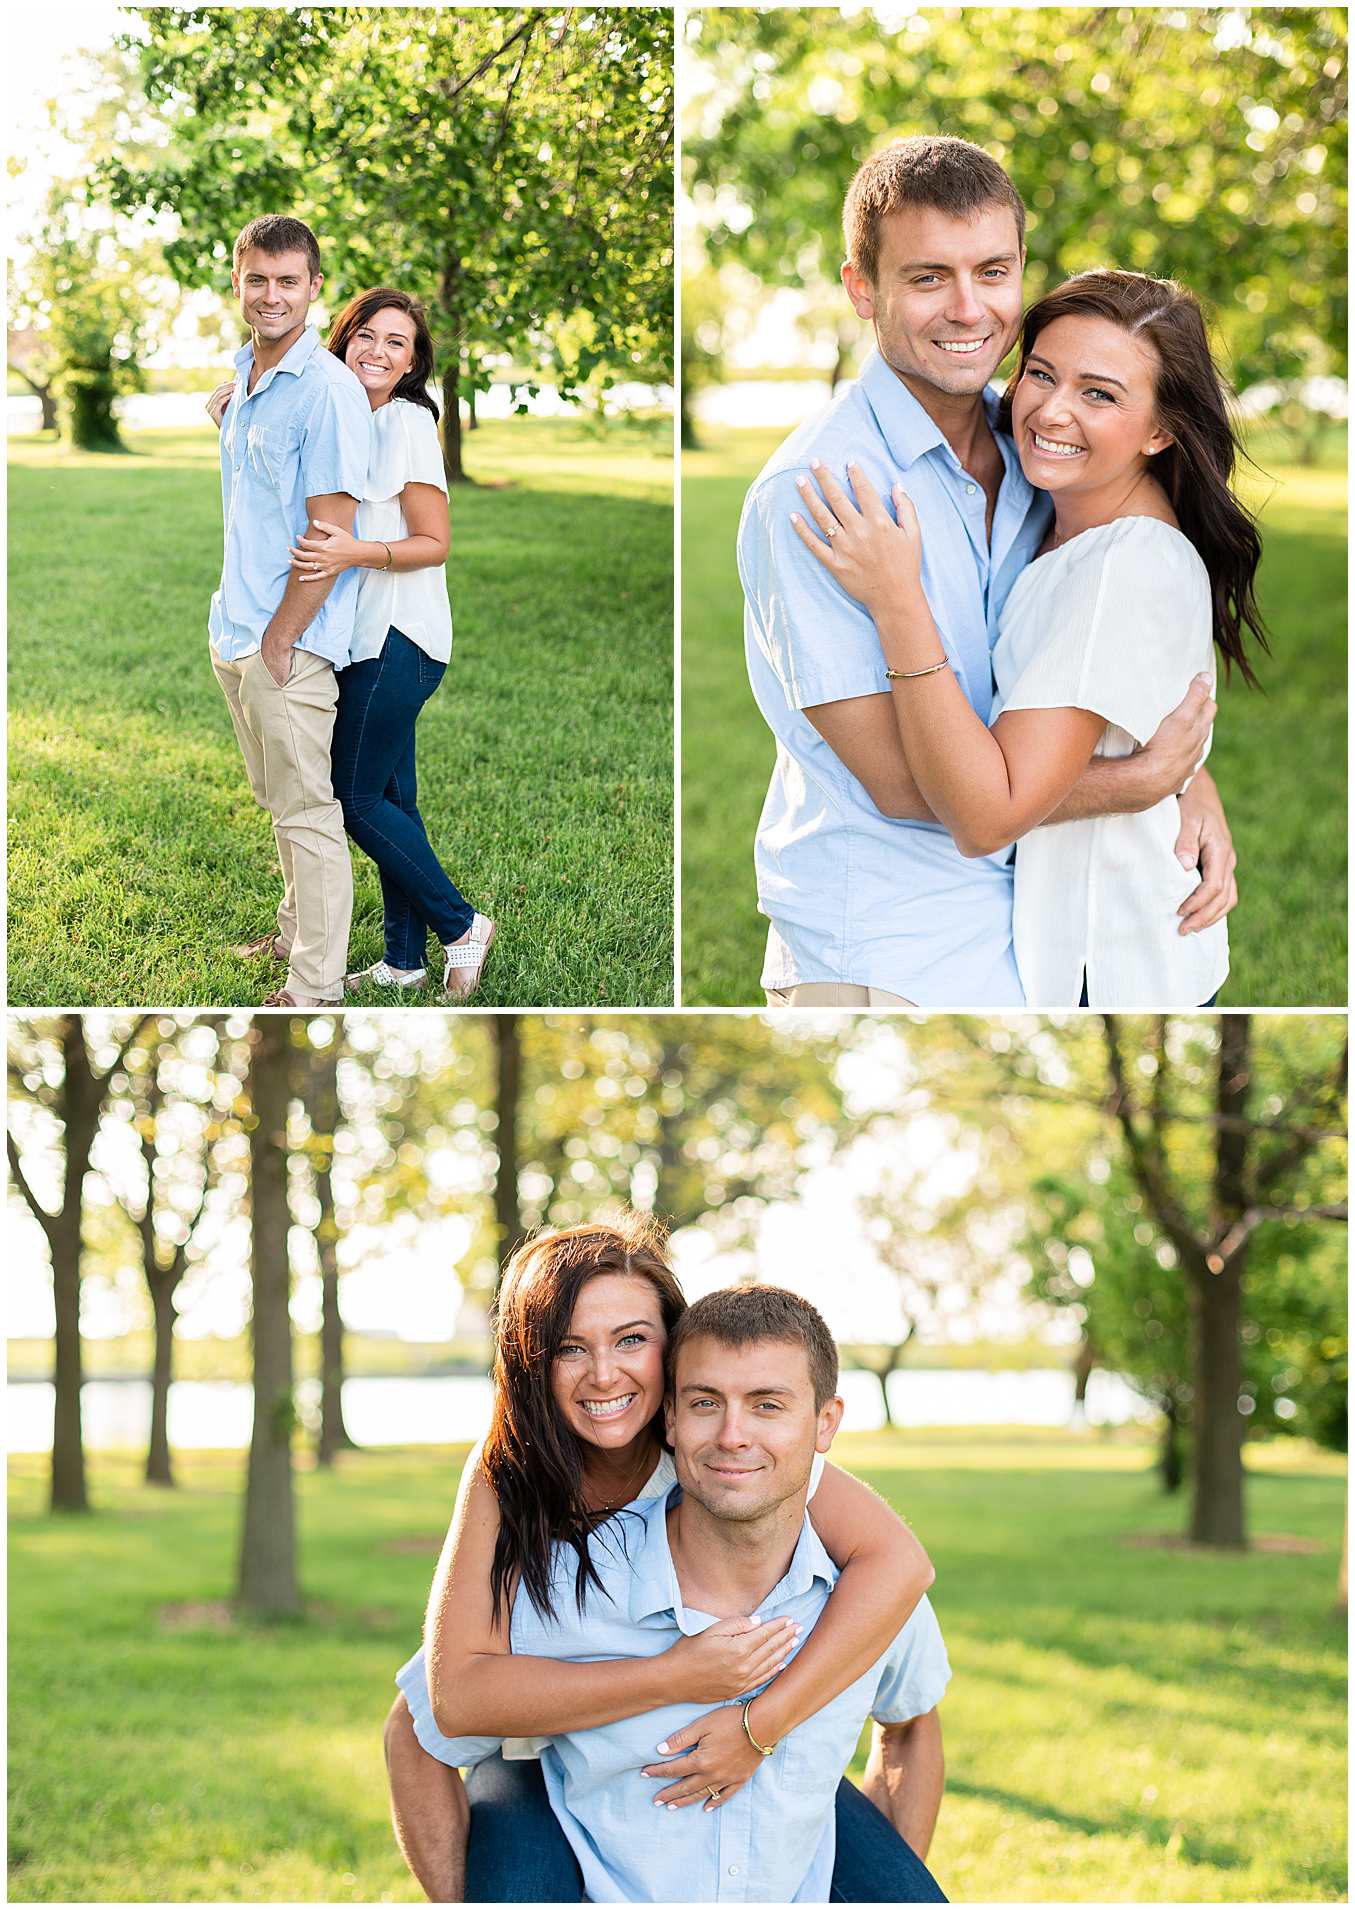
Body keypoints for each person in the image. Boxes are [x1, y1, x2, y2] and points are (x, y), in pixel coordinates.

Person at [740, 136, 1239, 1008]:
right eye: (928, 277)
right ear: (863, 287)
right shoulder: (818, 495)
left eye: (993, 271)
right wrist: (1138, 783)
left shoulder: (1036, 444)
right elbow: (905, 786)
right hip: (885, 946)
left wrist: (1190, 780)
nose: (968, 309)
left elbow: (1096, 647)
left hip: (1020, 935)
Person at [383, 1214, 942, 1902]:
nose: (603, 1374)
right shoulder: (512, 1470)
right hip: (541, 1752)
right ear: (532, 1363)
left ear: (670, 1352)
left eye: (631, 1340)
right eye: (567, 1349)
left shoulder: (724, 1453)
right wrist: (675, 1673)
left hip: (741, 1763)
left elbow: (899, 1564)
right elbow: (451, 1700)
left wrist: (757, 1725)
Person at [210, 285, 495, 1001]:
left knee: (354, 795)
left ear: (411, 365)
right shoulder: (339, 407)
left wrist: (353, 553)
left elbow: (435, 543)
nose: (377, 350)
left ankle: (460, 925)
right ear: (344, 337)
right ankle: (404, 960)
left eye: (396, 343)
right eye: (367, 334)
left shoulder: (403, 424)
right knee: (396, 797)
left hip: (397, 635)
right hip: (356, 637)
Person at [207, 214, 370, 1008]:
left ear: (314, 288)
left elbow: (330, 535)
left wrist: (280, 639)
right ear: (237, 283)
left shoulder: (329, 393)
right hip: (233, 630)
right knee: (279, 803)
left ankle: (314, 987)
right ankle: (292, 931)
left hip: (287, 645)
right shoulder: (246, 377)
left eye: (288, 282)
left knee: (308, 811)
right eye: (257, 280)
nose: (271, 296)